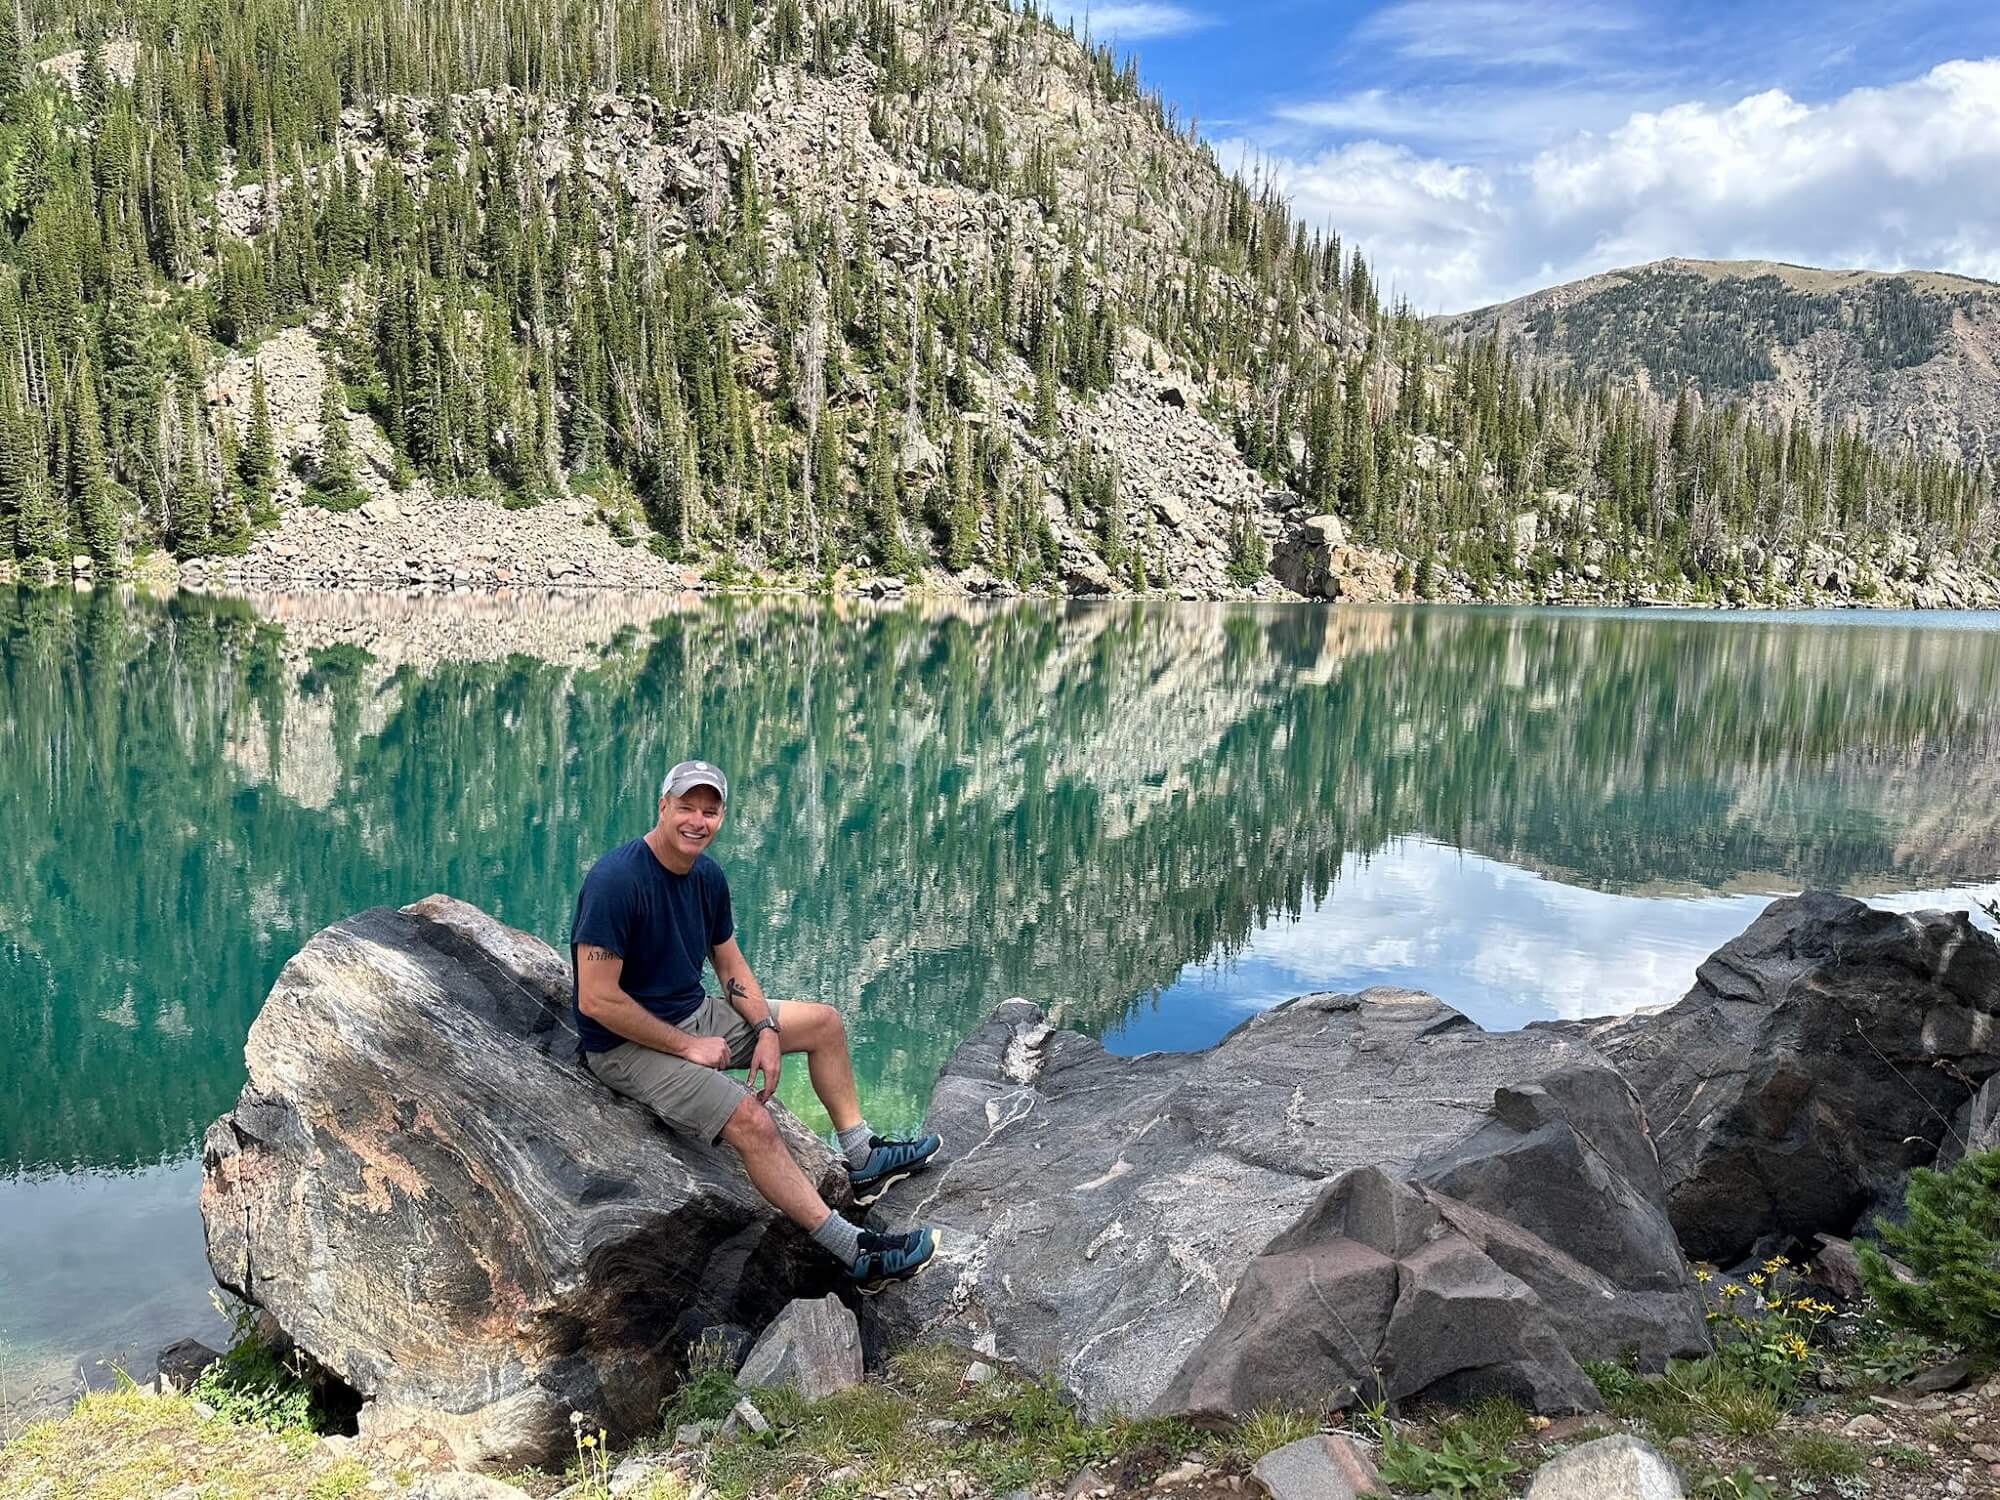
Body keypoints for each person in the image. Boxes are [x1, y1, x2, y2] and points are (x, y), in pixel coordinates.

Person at [571, 759, 944, 1287]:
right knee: (752, 1119)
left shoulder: (704, 876)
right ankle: (857, 1253)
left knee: (824, 1024)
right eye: (686, 807)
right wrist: (688, 1047)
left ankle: (862, 1158)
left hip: (690, 1013)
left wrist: (766, 1030)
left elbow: (728, 963)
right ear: (662, 807)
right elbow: (597, 1000)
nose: (697, 821)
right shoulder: (617, 881)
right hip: (624, 1046)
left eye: (710, 810)